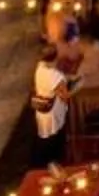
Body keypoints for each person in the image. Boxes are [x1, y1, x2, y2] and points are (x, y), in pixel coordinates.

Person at [30, 39, 77, 167]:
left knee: (45, 141)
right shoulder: (55, 76)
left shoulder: (39, 68)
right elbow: (64, 96)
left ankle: (43, 164)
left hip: (41, 111)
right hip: (53, 114)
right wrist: (76, 87)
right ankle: (56, 166)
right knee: (55, 144)